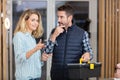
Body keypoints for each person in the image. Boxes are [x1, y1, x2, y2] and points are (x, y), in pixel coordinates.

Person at [45, 4, 93, 80]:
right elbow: (47, 52)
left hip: (75, 76)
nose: (58, 20)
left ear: (70, 18)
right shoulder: (54, 32)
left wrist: (88, 55)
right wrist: (54, 36)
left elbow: (89, 53)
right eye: (58, 17)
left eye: (61, 17)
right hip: (57, 76)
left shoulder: (82, 33)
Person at [13, 9, 50, 80]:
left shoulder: (32, 38)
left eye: (37, 20)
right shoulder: (19, 36)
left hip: (36, 77)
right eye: (33, 20)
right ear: (25, 21)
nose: (36, 23)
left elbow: (34, 62)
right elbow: (19, 58)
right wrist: (35, 49)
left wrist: (42, 59)